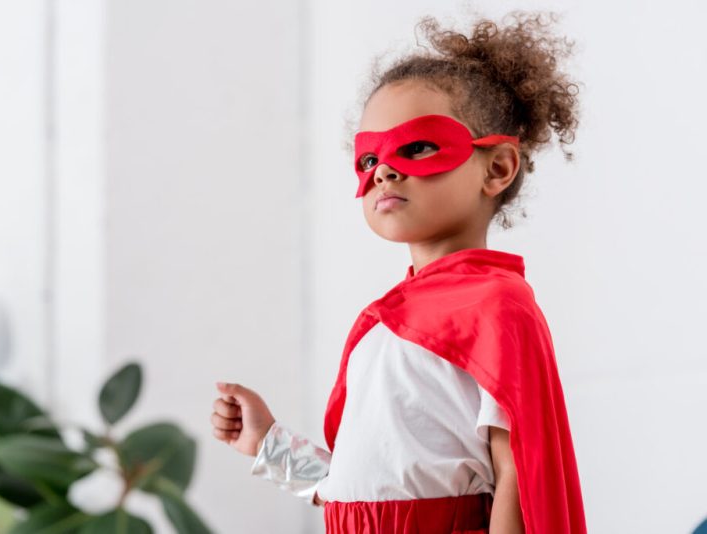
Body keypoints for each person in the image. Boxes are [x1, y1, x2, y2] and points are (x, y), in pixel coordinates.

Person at [212, 10, 587, 534]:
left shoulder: (495, 308)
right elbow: (369, 492)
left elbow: (519, 478)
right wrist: (269, 445)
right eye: (369, 159)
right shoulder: (388, 323)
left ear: (497, 168)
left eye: (418, 148)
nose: (384, 170)